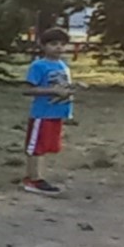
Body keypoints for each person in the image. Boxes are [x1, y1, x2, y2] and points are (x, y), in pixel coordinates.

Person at [21, 27, 75, 196]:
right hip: (42, 113)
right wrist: (52, 92)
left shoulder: (62, 65)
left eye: (62, 44)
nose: (58, 48)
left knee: (45, 147)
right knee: (35, 147)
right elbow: (28, 89)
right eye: (53, 44)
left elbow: (63, 86)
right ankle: (33, 179)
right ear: (43, 46)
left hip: (57, 112)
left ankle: (38, 176)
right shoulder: (38, 65)